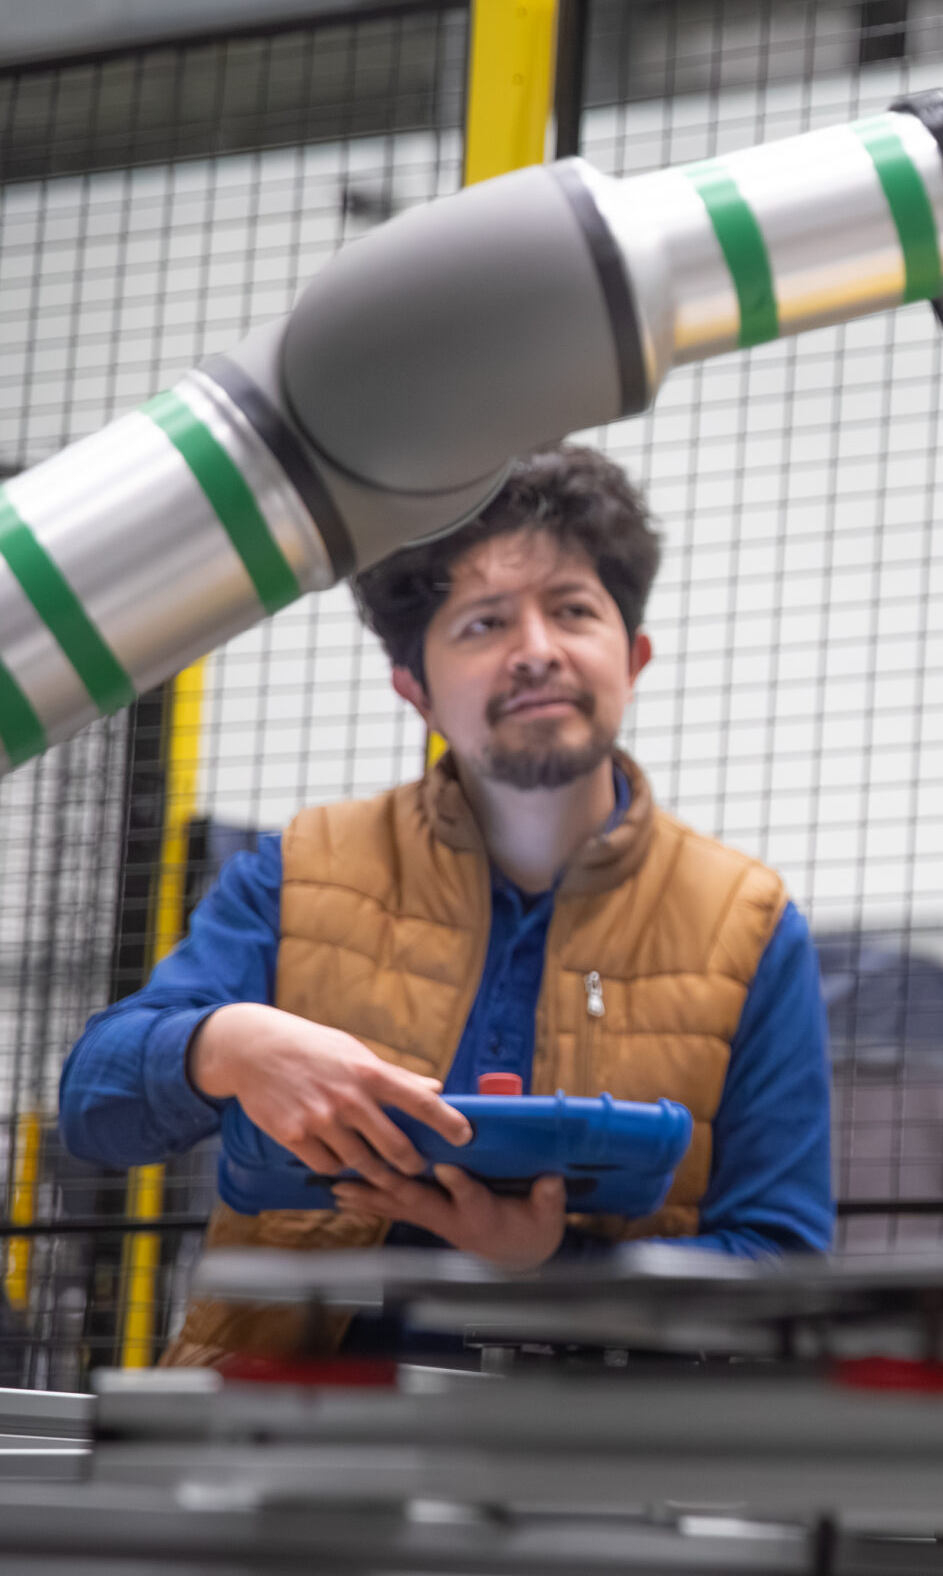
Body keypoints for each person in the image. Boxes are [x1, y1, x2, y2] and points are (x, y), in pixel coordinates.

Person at [60, 446, 834, 1363]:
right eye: (483, 622)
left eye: (573, 609)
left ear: (633, 659)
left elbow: (783, 1270)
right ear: (415, 691)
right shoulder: (299, 873)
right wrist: (226, 1045)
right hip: (287, 1414)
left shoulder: (749, 924)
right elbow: (94, 1106)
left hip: (600, 1438)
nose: (537, 648)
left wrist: (551, 1265)